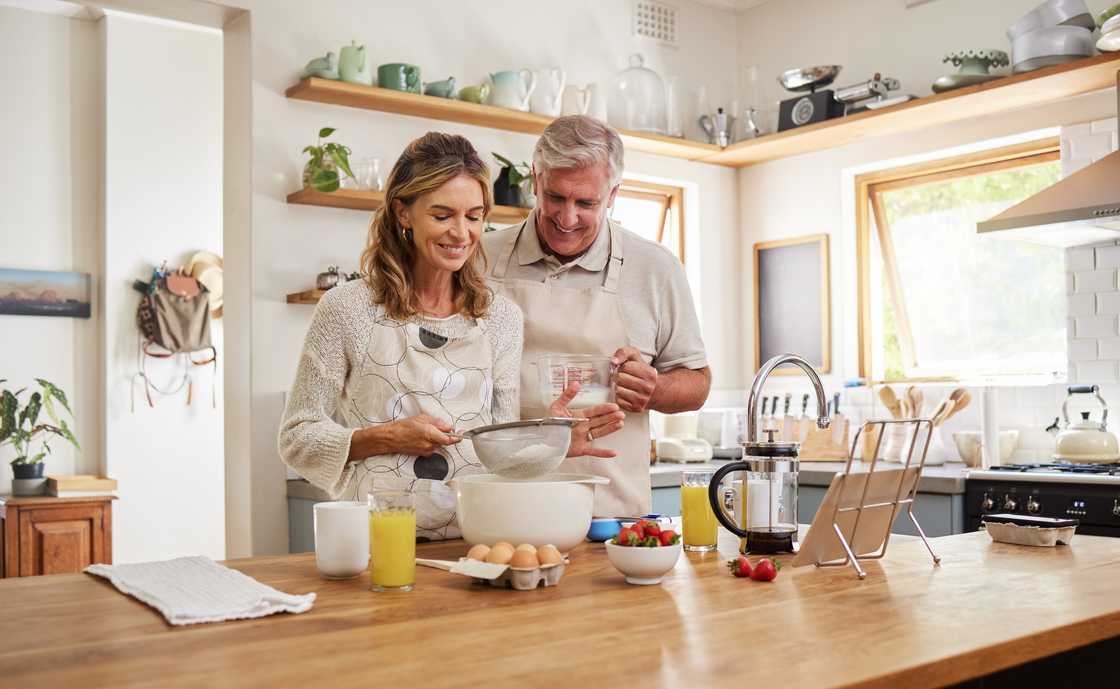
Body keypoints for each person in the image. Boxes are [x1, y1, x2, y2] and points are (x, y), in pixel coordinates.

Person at [278, 132, 622, 540]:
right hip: (378, 545)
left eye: (474, 216)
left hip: (478, 543)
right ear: (403, 212)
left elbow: (498, 453)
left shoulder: (499, 318)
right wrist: (385, 437)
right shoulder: (347, 309)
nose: (461, 233)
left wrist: (553, 441)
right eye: (443, 216)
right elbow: (297, 437)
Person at [483, 115, 711, 517]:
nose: (567, 219)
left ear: (613, 195)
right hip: (505, 509)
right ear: (535, 179)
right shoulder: (479, 260)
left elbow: (697, 384)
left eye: (586, 203)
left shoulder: (655, 269)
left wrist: (654, 389)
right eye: (555, 197)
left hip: (612, 517)